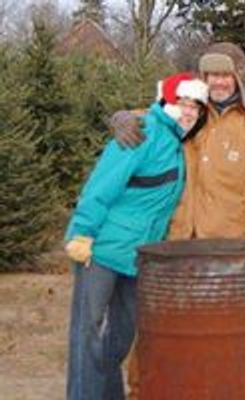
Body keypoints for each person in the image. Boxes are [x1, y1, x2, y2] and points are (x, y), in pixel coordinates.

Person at [111, 42, 245, 400]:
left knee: (219, 338)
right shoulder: (184, 111)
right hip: (170, 247)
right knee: (155, 332)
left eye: (224, 74)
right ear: (201, 78)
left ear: (238, 76)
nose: (218, 82)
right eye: (210, 74)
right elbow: (146, 116)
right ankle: (144, 392)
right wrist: (121, 118)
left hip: (226, 256)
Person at [64, 72, 209, 400]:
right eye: (182, 104)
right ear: (165, 103)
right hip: (101, 252)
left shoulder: (176, 142)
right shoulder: (141, 133)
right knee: (88, 334)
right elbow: (101, 185)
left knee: (120, 337)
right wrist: (83, 233)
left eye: (194, 107)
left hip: (137, 258)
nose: (188, 112)